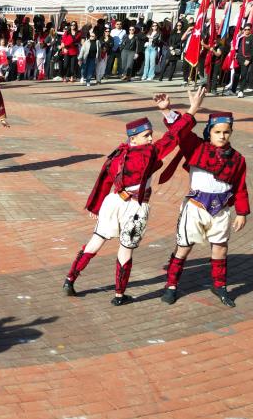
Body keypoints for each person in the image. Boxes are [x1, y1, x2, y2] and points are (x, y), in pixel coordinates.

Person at [62, 95, 184, 305]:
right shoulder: (150, 153)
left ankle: (69, 280)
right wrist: (176, 111)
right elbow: (175, 136)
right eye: (146, 135)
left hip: (113, 203)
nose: (150, 139)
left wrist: (96, 205)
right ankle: (119, 295)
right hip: (135, 207)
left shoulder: (118, 154)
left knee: (96, 241)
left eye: (151, 135)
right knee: (125, 248)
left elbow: (104, 178)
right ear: (133, 138)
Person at [157, 87, 251, 307]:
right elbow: (179, 132)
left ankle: (219, 285)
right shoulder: (195, 147)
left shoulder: (238, 158)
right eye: (217, 132)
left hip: (221, 211)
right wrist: (168, 111)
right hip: (196, 207)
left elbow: (240, 186)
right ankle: (171, 285)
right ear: (209, 131)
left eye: (226, 132)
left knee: (220, 248)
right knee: (184, 247)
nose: (222, 136)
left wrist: (242, 212)